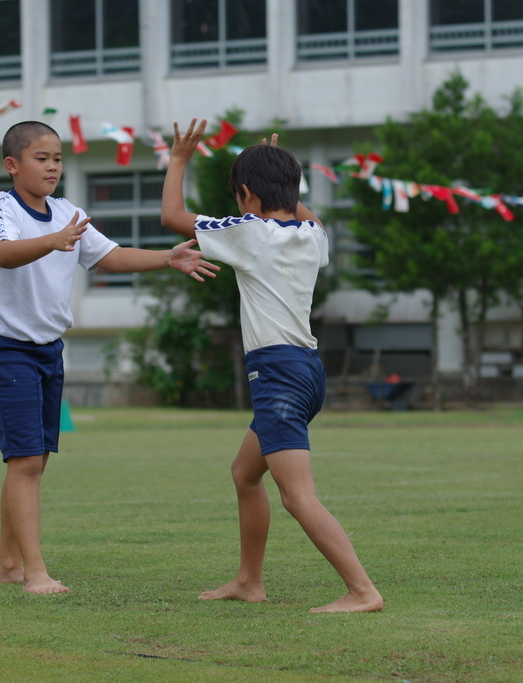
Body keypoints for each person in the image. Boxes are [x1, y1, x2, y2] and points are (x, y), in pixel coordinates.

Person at [0, 120, 219, 594]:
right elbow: (3, 254)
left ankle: (7, 563)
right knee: (24, 461)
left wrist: (168, 257)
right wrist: (53, 241)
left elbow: (110, 255)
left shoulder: (68, 212)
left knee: (34, 460)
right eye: (41, 158)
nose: (52, 167)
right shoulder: (2, 210)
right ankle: (35, 573)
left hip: (48, 350)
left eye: (58, 159)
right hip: (4, 348)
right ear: (12, 165)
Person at [160, 118, 383, 613]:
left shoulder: (251, 233)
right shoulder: (312, 235)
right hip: (306, 369)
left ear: (245, 195)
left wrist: (178, 159)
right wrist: (277, 169)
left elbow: (172, 216)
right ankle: (249, 581)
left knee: (297, 495)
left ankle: (363, 591)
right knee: (244, 473)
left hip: (278, 373)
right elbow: (303, 212)